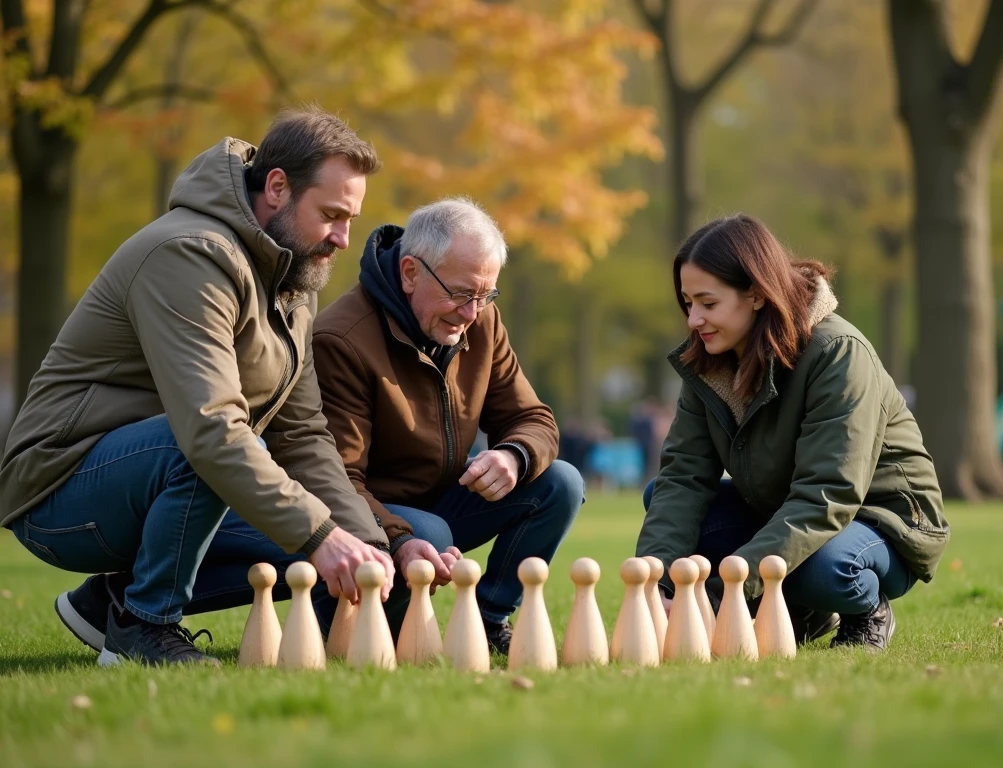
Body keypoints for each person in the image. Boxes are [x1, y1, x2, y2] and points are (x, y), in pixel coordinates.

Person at [0, 109, 397, 666]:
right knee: (233, 461)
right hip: (59, 490)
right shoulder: (189, 253)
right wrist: (320, 535)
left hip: (159, 478)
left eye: (351, 219)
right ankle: (144, 626)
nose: (342, 238)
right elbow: (211, 429)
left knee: (303, 539)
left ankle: (109, 605)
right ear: (278, 188)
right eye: (331, 214)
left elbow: (303, 432)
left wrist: (364, 544)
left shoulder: (292, 283)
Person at [218, 198, 584, 653]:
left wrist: (514, 454)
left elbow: (533, 419)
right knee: (430, 534)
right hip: (364, 521)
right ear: (410, 272)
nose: (472, 313)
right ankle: (340, 615)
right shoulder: (343, 340)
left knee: (559, 482)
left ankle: (489, 620)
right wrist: (399, 537)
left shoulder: (479, 320)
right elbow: (337, 480)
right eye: (460, 293)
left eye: (485, 295)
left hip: (441, 502)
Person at [636, 215, 949, 651]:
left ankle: (866, 609)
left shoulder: (838, 354)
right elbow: (683, 477)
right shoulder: (707, 361)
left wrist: (726, 587)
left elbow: (829, 492)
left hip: (879, 520)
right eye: (688, 303)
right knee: (661, 496)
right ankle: (802, 611)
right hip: (784, 509)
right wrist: (656, 584)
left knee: (824, 568)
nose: (693, 319)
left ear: (757, 295)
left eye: (708, 303)